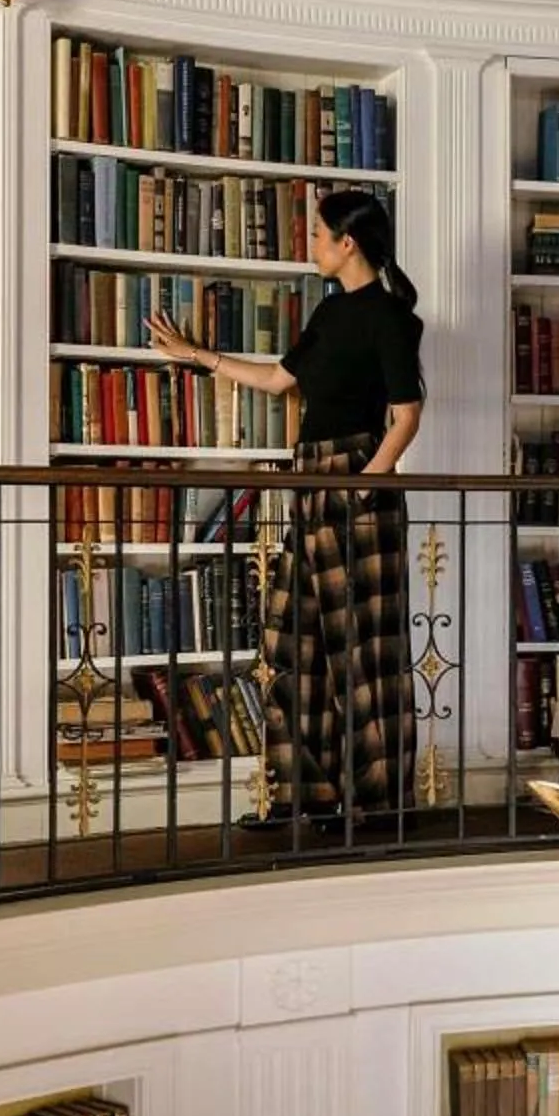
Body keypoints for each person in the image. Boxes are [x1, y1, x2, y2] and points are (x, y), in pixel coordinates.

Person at [148, 187, 423, 824]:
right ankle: (307, 797)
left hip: (358, 480)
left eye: (319, 235)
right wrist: (195, 356)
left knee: (363, 656)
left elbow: (407, 417)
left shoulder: (390, 317)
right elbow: (279, 379)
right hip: (309, 481)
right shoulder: (329, 314)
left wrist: (367, 485)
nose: (312, 245)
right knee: (292, 644)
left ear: (346, 243)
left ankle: (381, 809)